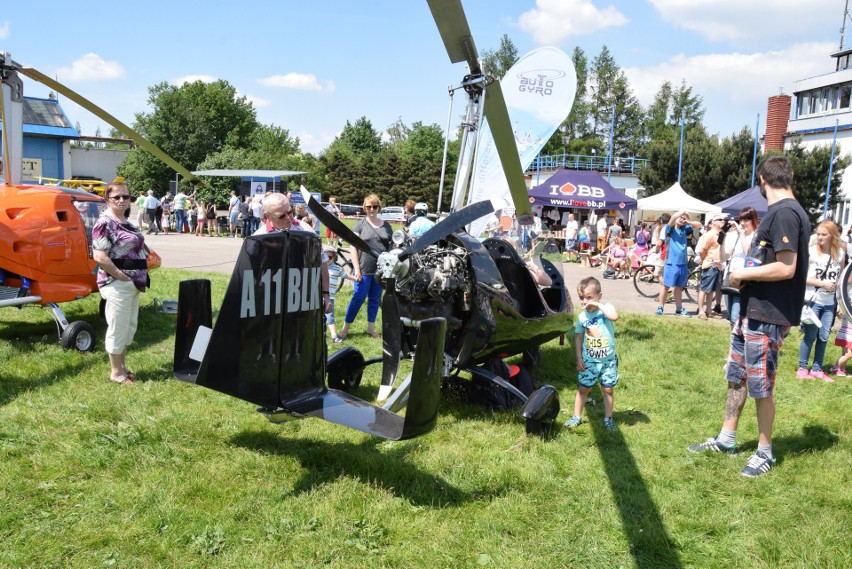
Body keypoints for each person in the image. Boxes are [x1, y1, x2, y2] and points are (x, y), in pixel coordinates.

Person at [688, 156, 810, 478]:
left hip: (769, 314)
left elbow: (787, 266)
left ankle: (765, 452)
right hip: (752, 311)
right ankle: (727, 438)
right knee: (737, 374)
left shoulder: (785, 212)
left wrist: (742, 272)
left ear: (761, 180)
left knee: (760, 384)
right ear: (790, 176)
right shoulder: (784, 212)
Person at [92, 182, 149, 385]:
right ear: (108, 199)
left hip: (134, 283)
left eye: (126, 196)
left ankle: (123, 366)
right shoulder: (105, 223)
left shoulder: (125, 220)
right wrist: (121, 275)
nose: (122, 200)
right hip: (118, 283)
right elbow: (99, 256)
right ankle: (116, 372)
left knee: (128, 326)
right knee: (118, 326)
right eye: (117, 197)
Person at [253, 192, 331, 314]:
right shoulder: (259, 238)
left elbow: (322, 263)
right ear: (267, 215)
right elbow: (252, 274)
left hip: (303, 300)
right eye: (281, 216)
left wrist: (326, 294)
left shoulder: (306, 230)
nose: (289, 218)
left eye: (290, 212)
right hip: (271, 303)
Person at [566, 276, 620, 430]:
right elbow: (578, 337)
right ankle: (576, 416)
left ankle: (608, 418)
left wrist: (598, 305)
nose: (585, 301)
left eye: (589, 297)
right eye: (582, 297)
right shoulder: (583, 317)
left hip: (608, 361)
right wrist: (579, 358)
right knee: (584, 388)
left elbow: (614, 317)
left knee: (608, 389)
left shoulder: (606, 309)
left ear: (599, 296)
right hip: (589, 360)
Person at [338, 194, 393, 340]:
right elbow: (353, 247)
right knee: (358, 298)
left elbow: (391, 246)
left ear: (379, 207)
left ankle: (371, 328)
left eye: (375, 206)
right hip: (364, 269)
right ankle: (345, 328)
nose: (372, 209)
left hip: (381, 270)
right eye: (369, 206)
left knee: (375, 299)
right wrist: (357, 268)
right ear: (365, 207)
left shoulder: (386, 225)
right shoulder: (360, 224)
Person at [797, 220, 844, 380]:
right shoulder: (811, 252)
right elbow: (800, 277)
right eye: (818, 234)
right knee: (810, 336)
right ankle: (802, 368)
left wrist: (840, 302)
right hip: (813, 301)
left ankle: (817, 369)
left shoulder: (840, 254)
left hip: (830, 303)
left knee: (824, 337)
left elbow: (840, 281)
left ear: (832, 236)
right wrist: (821, 283)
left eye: (823, 234)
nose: (819, 237)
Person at [656, 210, 702, 316]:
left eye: (683, 218)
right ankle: (660, 307)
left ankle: (679, 308)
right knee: (666, 286)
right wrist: (683, 211)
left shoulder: (685, 229)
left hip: (683, 263)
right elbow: (672, 219)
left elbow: (699, 225)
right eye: (680, 217)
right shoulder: (669, 229)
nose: (682, 219)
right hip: (671, 262)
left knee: (679, 287)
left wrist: (688, 221)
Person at [721, 207, 759, 324]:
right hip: (729, 276)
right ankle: (735, 341)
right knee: (731, 316)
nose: (742, 223)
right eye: (741, 220)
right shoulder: (736, 236)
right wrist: (722, 238)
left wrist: (741, 233)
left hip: (742, 279)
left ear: (753, 220)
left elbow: (749, 253)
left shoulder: (756, 236)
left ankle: (738, 341)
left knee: (735, 317)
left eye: (746, 220)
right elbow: (724, 257)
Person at [696, 213, 726, 319]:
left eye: (723, 219)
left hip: (717, 265)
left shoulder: (721, 234)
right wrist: (705, 260)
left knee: (712, 289)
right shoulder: (710, 234)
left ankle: (708, 310)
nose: (723, 221)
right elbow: (702, 250)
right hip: (710, 264)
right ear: (713, 223)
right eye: (719, 219)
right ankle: (701, 311)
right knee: (704, 288)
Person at [324, 246, 356, 344]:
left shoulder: (337, 268)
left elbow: (346, 275)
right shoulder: (318, 267)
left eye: (329, 257)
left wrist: (356, 278)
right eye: (324, 257)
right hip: (317, 297)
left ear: (334, 257)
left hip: (330, 298)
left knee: (330, 317)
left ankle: (334, 337)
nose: (327, 259)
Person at [830, 312, 852, 377]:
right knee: (849, 355)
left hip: (849, 335)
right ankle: (835, 368)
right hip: (846, 335)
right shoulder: (848, 309)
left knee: (845, 354)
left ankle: (842, 369)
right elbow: (839, 315)